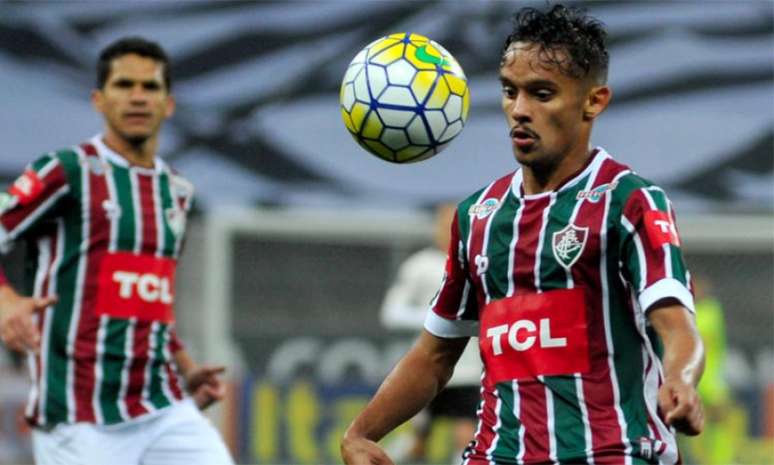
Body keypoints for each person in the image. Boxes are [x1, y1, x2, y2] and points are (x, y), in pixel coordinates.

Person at [341, 5, 704, 465]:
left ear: (594, 101)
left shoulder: (629, 202)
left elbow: (678, 326)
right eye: (510, 92)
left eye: (542, 94)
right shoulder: (478, 216)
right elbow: (436, 353)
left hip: (612, 453)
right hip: (498, 455)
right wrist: (360, 433)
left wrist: (681, 379)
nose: (519, 110)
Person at [0, 37, 233, 464]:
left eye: (150, 87)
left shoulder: (177, 191)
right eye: (124, 85)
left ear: (169, 104)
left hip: (161, 404)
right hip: (79, 412)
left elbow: (149, 295)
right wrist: (6, 299)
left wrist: (184, 364)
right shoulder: (68, 170)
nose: (138, 97)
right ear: (99, 100)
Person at [380, 204, 480, 463]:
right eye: (444, 224)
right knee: (416, 440)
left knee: (466, 436)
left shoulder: (478, 261)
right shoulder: (420, 266)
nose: (449, 231)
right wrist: (439, 320)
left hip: (469, 370)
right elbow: (391, 312)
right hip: (430, 364)